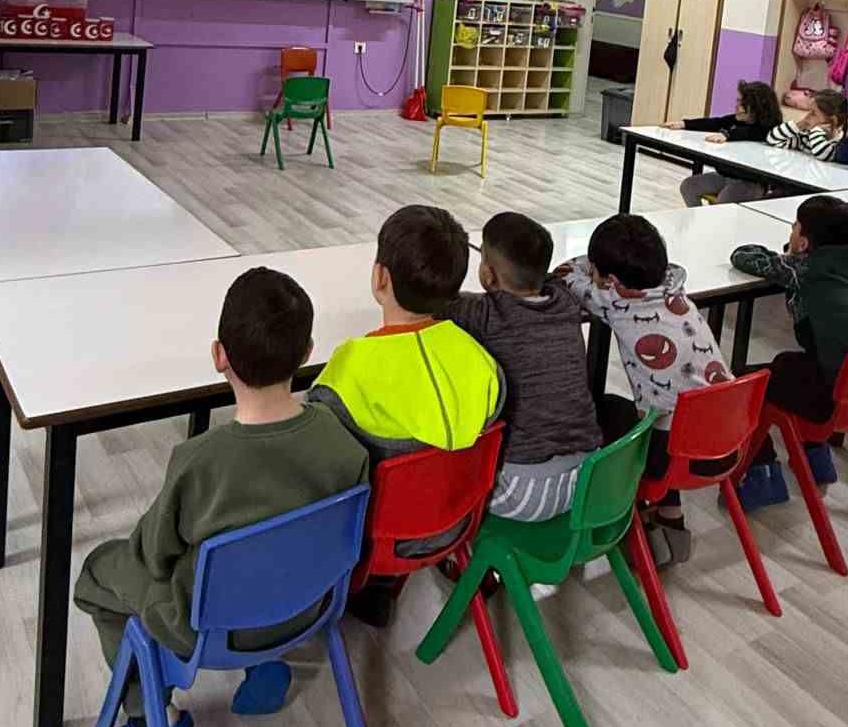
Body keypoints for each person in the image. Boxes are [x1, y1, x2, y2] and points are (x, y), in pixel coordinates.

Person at [74, 268, 369, 727]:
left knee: (99, 572)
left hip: (211, 632)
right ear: (307, 353)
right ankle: (266, 667)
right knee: (273, 550)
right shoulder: (342, 441)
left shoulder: (199, 461)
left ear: (219, 356)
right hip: (308, 608)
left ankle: (148, 718)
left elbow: (152, 555)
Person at [308, 205, 503, 624]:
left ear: (379, 278)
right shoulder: (481, 360)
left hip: (375, 540)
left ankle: (369, 589)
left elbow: (315, 439)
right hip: (458, 521)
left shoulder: (351, 364)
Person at [553, 214, 730, 562]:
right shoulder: (674, 287)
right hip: (724, 438)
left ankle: (618, 522)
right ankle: (669, 519)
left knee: (605, 411)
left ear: (612, 281)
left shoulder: (616, 302)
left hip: (674, 455)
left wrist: (591, 265)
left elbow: (563, 275)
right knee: (663, 414)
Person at [729, 195, 848, 509]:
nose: (791, 229)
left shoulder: (807, 268)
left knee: (744, 382)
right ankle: (817, 461)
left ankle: (762, 472)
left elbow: (743, 256)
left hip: (831, 395)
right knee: (787, 365)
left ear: (804, 243)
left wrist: (789, 255)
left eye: (795, 226)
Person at [447, 212, 601, 522]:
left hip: (523, 492)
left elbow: (434, 301)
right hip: (593, 477)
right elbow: (572, 268)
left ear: (488, 275)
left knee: (447, 458)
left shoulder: (483, 314)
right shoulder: (565, 299)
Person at [678, 80, 783, 206]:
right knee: (688, 186)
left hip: (751, 183)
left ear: (757, 107)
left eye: (741, 103)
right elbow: (716, 123)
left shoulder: (770, 130)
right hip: (725, 176)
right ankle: (699, 217)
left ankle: (711, 218)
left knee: (723, 200)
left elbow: (752, 132)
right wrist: (685, 124)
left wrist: (728, 135)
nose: (736, 106)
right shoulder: (737, 119)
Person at [766, 89, 848, 159]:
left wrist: (817, 130)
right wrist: (799, 125)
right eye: (808, 111)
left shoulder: (840, 144)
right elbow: (773, 139)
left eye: (813, 113)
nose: (807, 116)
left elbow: (822, 154)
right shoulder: (805, 136)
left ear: (833, 121)